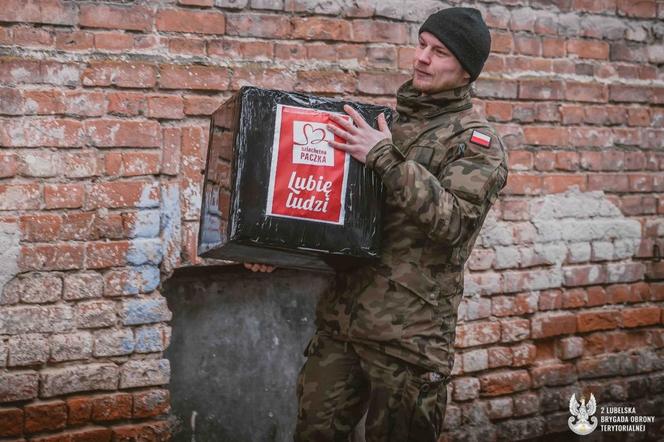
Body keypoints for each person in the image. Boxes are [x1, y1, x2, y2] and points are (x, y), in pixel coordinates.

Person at [250, 7, 508, 441]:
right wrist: (274, 251)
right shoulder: (384, 125)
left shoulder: (475, 143)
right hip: (342, 326)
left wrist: (384, 157)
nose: (422, 58)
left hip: (409, 341)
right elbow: (339, 218)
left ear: (466, 72)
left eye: (439, 51)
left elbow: (453, 224)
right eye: (421, 44)